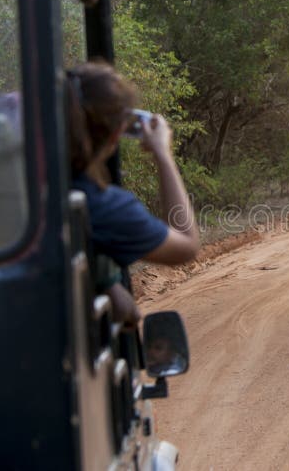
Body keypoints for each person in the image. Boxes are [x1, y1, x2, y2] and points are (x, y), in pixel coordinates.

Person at [66, 61, 199, 324]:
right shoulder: (104, 206)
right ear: (117, 134)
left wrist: (108, 281)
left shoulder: (26, 184)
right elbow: (187, 245)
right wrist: (163, 154)